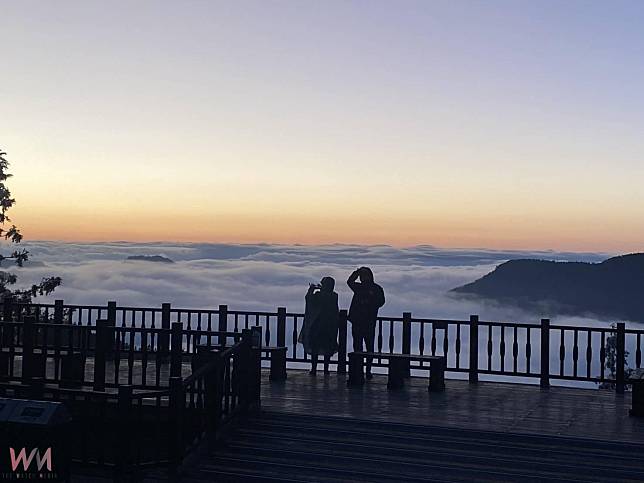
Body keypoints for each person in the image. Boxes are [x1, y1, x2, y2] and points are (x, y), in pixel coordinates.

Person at [347, 267, 385, 379]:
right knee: (360, 347)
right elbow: (349, 282)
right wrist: (356, 273)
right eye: (362, 275)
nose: (363, 278)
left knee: (367, 347)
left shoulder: (373, 288)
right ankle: (361, 370)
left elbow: (381, 302)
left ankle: (366, 370)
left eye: (364, 275)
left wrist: (369, 301)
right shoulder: (364, 287)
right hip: (361, 322)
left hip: (365, 322)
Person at [298, 276, 339, 375]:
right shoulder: (334, 296)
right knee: (327, 349)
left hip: (317, 325)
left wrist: (311, 290)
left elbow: (309, 299)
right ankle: (326, 369)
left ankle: (314, 369)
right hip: (330, 326)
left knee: (315, 348)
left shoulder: (319, 295)